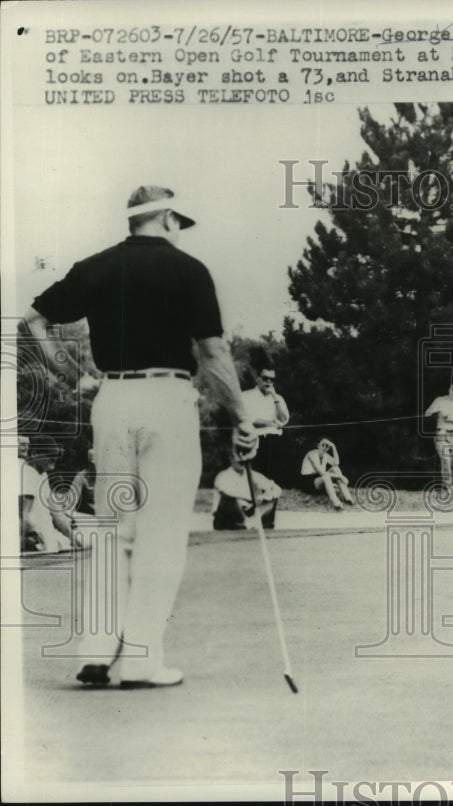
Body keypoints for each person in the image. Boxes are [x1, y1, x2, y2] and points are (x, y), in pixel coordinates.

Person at [22, 185, 257, 689]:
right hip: (166, 400)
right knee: (161, 534)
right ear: (167, 218)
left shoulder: (95, 266)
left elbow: (34, 320)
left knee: (114, 529)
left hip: (112, 401)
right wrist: (242, 417)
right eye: (179, 221)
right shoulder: (188, 269)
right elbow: (213, 355)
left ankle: (98, 650)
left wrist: (73, 375)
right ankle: (140, 661)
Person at [19, 435, 75, 554]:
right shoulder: (26, 473)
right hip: (34, 541)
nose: (55, 459)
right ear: (34, 454)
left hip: (49, 539)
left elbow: (57, 513)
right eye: (50, 454)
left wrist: (73, 538)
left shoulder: (43, 475)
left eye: (56, 455)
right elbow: (24, 515)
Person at [241, 363, 289, 480]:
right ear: (257, 378)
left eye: (271, 379)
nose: (268, 381)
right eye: (265, 378)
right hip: (257, 441)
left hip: (276, 441)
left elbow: (284, 420)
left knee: (275, 479)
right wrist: (272, 423)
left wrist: (275, 399)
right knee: (257, 478)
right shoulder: (246, 396)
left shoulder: (278, 398)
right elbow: (251, 420)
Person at [212, 453, 281, 530]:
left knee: (272, 500)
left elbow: (276, 489)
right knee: (229, 499)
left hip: (250, 513)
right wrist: (253, 498)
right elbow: (227, 494)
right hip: (231, 515)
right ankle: (246, 523)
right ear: (231, 458)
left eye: (244, 456)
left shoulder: (253, 474)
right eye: (238, 456)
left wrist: (267, 495)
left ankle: (251, 522)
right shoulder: (222, 476)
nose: (242, 459)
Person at [424, 381, 453, 493]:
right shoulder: (440, 400)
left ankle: (448, 485)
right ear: (449, 390)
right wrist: (435, 410)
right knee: (446, 460)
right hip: (442, 433)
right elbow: (427, 413)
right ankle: (448, 486)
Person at [301, 437, 354, 510]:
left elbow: (336, 463)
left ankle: (348, 497)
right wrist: (340, 476)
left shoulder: (325, 456)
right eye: (323, 445)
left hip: (320, 478)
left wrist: (333, 446)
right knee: (326, 477)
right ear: (318, 446)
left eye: (327, 446)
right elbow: (321, 473)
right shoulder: (311, 455)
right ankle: (336, 504)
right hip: (308, 482)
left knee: (335, 469)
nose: (325, 447)